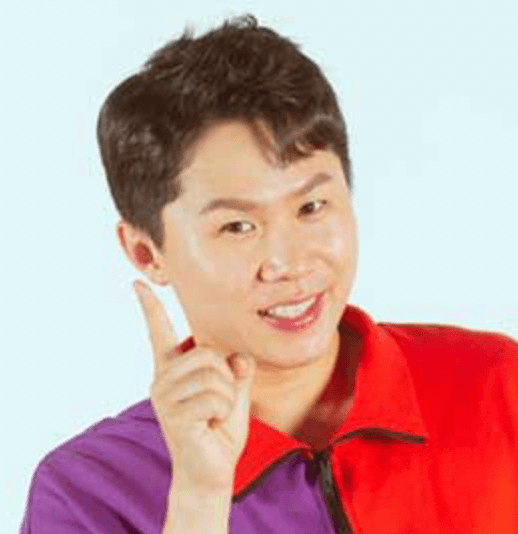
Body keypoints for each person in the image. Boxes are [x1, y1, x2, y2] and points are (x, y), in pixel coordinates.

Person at [19, 14, 518, 534]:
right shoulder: (85, 493)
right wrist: (198, 497)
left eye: (312, 207)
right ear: (147, 253)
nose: (289, 262)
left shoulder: (496, 386)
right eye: (238, 226)